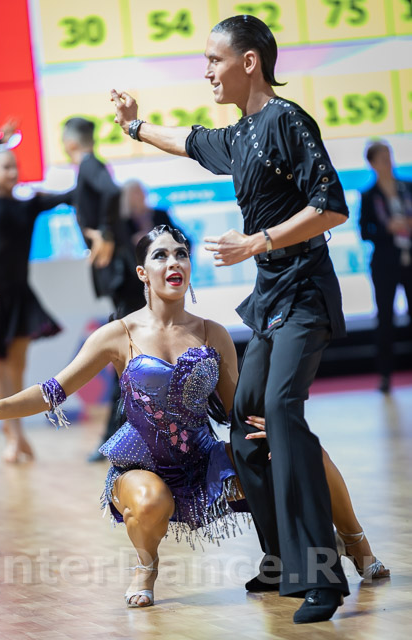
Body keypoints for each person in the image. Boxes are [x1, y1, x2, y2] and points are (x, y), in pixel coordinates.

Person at [0, 227, 388, 612]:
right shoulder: (117, 334)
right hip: (143, 468)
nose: (174, 262)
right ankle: (145, 567)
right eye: (161, 255)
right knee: (151, 501)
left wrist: (275, 430)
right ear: (143, 273)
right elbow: (51, 391)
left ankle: (357, 545)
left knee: (305, 450)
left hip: (206, 464)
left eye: (181, 254)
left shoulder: (213, 333)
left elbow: (237, 410)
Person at [111, 15, 354, 623]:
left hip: (304, 297)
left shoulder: (288, 121)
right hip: (271, 303)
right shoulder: (240, 134)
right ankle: (279, 559)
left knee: (281, 416)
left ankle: (322, 577)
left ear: (249, 62)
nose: (207, 72)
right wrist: (134, 125)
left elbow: (331, 207)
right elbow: (186, 141)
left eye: (214, 60)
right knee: (246, 428)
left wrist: (259, 240)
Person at [0, 120, 74, 463]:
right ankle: (13, 436)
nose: (12, 171)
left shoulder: (29, 205)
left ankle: (16, 431)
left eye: (14, 166)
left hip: (21, 294)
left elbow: (68, 196)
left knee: (17, 368)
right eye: (5, 166)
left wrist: (90, 175)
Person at [87, 179, 189, 463]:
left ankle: (176, 440)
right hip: (131, 305)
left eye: (140, 193)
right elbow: (110, 263)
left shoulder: (160, 216)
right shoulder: (119, 224)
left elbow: (185, 243)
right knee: (123, 379)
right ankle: (110, 441)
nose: (138, 199)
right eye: (131, 195)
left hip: (164, 307)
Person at [62, 118, 146, 462]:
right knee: (125, 358)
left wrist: (106, 233)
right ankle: (118, 438)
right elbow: (87, 198)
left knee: (127, 358)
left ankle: (117, 438)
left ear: (69, 143)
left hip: (122, 277)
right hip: (121, 280)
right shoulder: (88, 169)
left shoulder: (89, 166)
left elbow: (112, 192)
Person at [360, 140, 412, 393]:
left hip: (409, 259)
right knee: (385, 319)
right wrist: (387, 228)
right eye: (382, 158)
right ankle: (385, 375)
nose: (388, 162)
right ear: (372, 163)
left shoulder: (407, 187)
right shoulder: (369, 195)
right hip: (385, 264)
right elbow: (364, 231)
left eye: (389, 156)